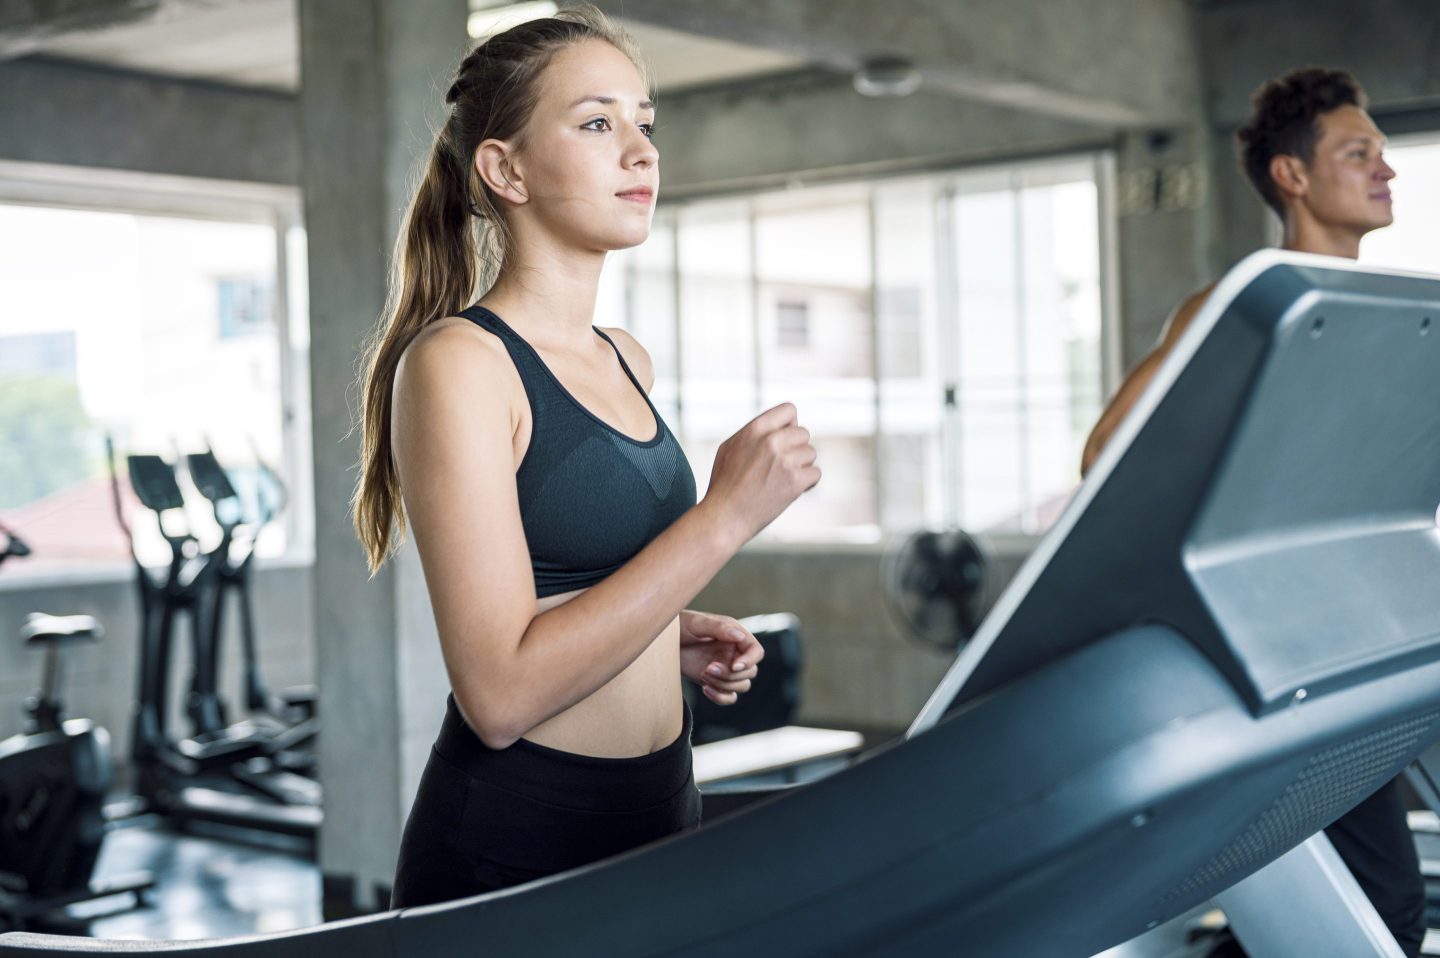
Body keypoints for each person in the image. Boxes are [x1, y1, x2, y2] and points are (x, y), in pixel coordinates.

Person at [350, 7, 820, 907]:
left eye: (646, 123)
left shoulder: (624, 356)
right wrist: (724, 518)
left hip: (659, 811)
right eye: (598, 122)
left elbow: (569, 585)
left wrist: (665, 637)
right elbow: (500, 692)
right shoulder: (460, 364)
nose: (641, 151)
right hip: (517, 842)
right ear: (506, 168)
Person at [1081, 68, 1424, 958]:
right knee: (1375, 909)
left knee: (1368, 905)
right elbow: (1104, 457)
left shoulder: (1368, 317)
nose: (1385, 170)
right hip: (1268, 660)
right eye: (1359, 153)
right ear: (1293, 176)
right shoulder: (1248, 306)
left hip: (1352, 646)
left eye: (1385, 153)